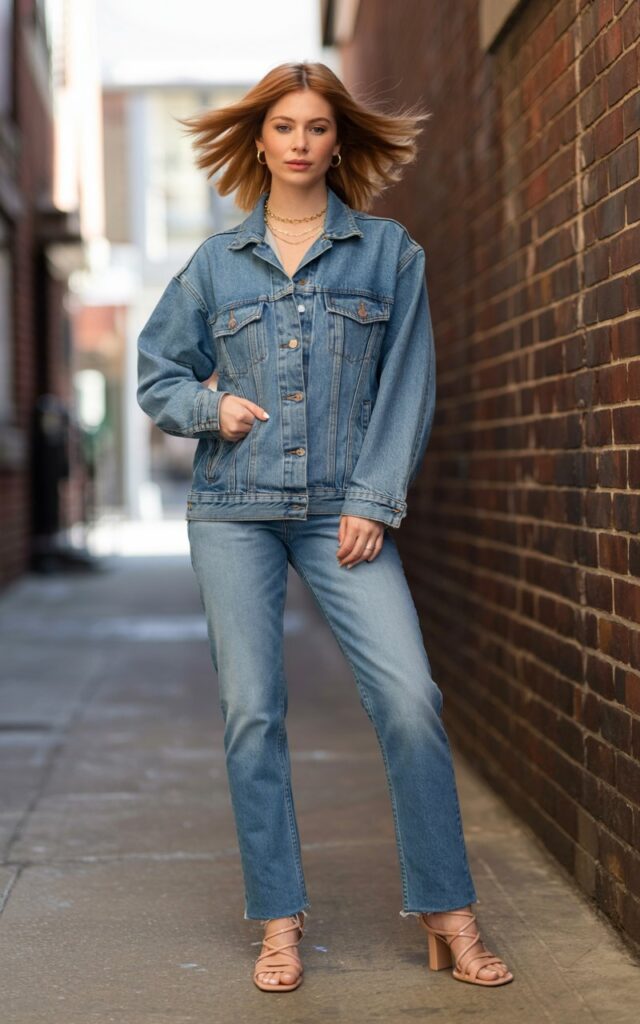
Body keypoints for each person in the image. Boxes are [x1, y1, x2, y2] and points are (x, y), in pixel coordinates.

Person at [136, 61, 514, 992]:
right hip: (233, 512)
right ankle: (278, 919)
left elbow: (408, 385)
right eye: (283, 127)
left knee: (411, 701)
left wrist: (373, 500)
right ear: (258, 142)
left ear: (337, 141)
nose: (299, 142)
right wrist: (206, 410)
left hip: (343, 511)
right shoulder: (215, 265)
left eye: (315, 127)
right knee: (252, 713)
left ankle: (445, 908)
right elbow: (156, 373)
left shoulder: (389, 253)